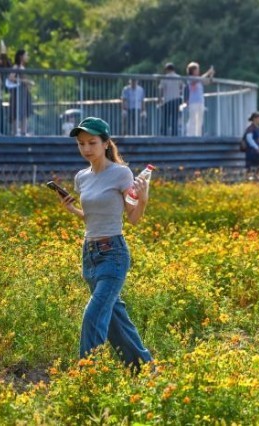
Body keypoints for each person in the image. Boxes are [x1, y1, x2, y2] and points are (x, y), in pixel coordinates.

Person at [58, 116, 153, 373]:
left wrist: (142, 200)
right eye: (81, 144)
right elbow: (93, 217)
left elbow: (132, 218)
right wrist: (73, 210)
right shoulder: (82, 177)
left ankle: (86, 375)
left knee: (93, 316)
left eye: (92, 143)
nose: (86, 149)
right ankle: (144, 368)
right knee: (114, 319)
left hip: (113, 255)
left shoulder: (120, 173)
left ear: (105, 143)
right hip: (89, 255)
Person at [7, 49, 34, 136]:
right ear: (21, 57)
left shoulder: (23, 67)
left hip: (24, 92)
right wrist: (23, 81)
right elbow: (11, 78)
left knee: (25, 111)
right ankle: (15, 131)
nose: (27, 57)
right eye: (26, 55)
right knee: (16, 111)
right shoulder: (16, 67)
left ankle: (23, 131)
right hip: (17, 92)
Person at [184, 62, 214, 136]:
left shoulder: (199, 80)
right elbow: (197, 80)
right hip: (193, 102)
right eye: (197, 70)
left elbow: (208, 82)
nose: (198, 71)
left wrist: (211, 75)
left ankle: (198, 135)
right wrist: (207, 72)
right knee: (193, 119)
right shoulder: (190, 78)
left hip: (200, 102)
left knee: (200, 120)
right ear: (192, 71)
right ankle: (191, 135)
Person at [158, 63, 182, 136]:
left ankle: (164, 134)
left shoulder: (164, 78)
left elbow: (160, 89)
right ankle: (174, 135)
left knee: (165, 119)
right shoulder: (179, 77)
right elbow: (182, 87)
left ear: (167, 69)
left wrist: (159, 99)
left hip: (167, 101)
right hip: (176, 100)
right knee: (175, 119)